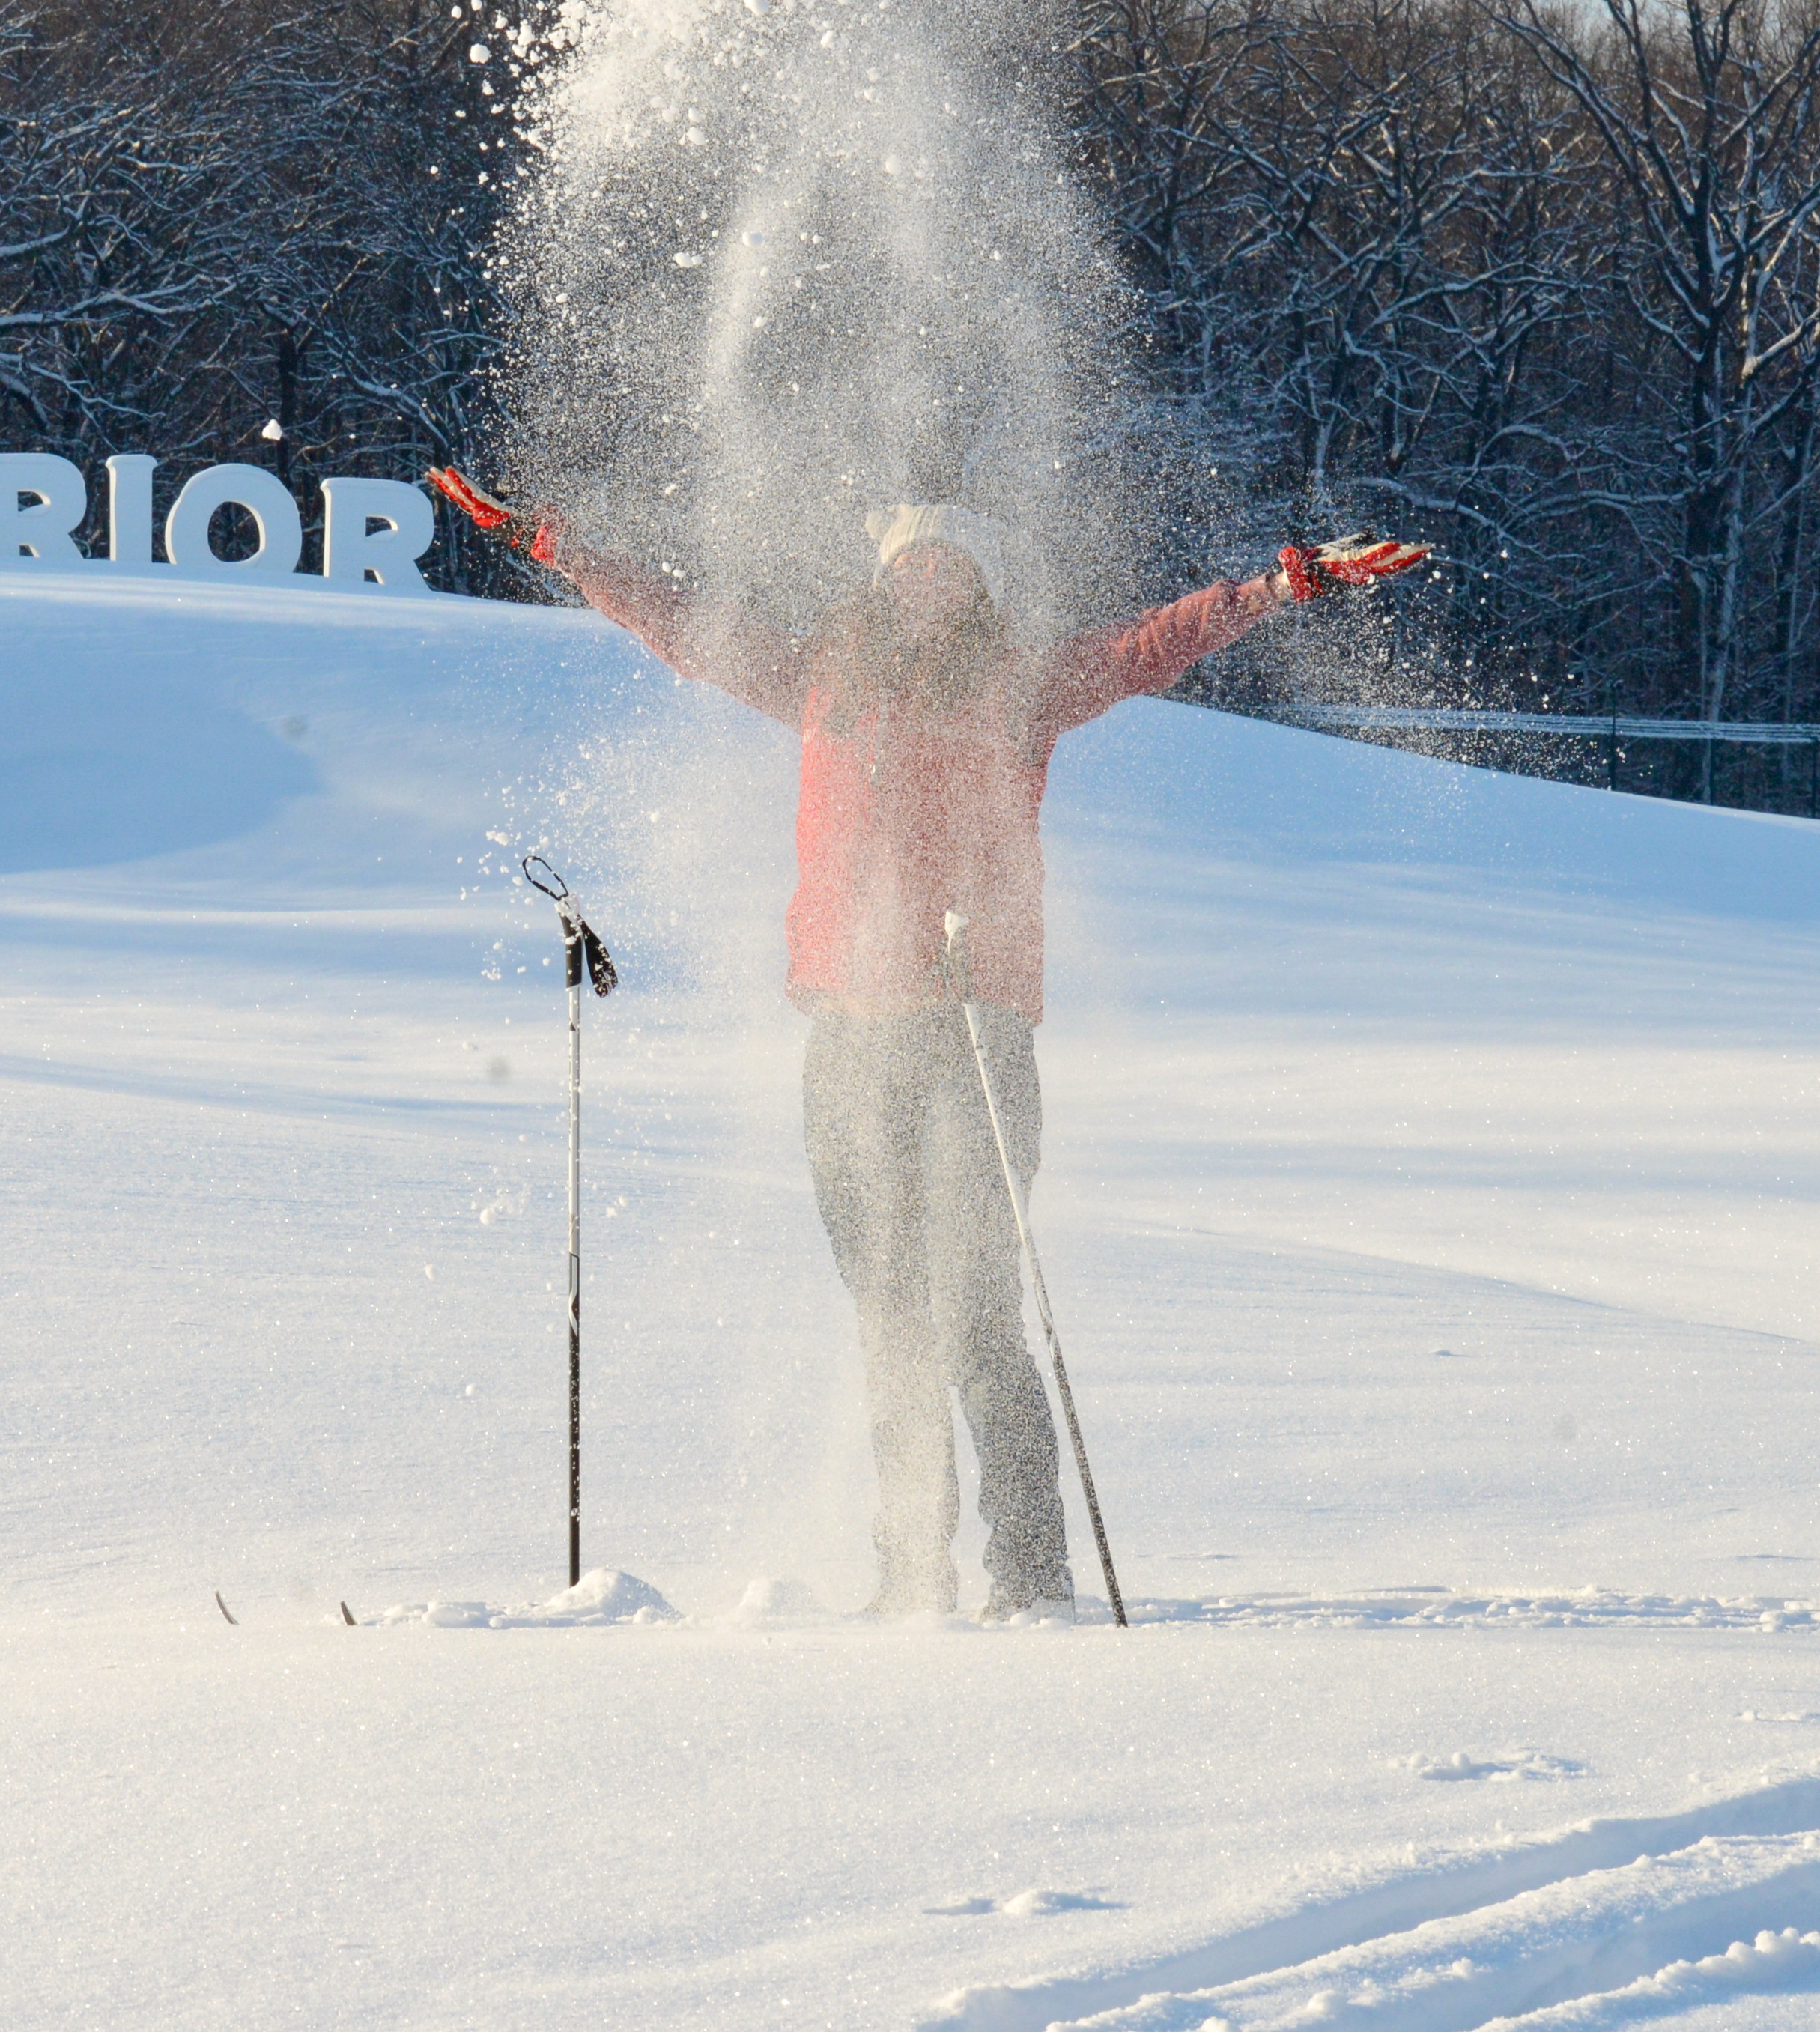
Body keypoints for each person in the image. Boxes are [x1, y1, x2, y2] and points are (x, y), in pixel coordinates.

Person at [430, 469, 1428, 1619]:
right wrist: (556, 545)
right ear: (882, 574)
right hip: (848, 1025)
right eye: (911, 563)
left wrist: (1277, 583)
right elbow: (680, 620)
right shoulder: (819, 672)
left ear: (982, 589)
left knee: (978, 1309)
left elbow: (1153, 643)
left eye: (952, 568)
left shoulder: (1023, 685)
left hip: (974, 1024)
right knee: (887, 1312)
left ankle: (1032, 1573)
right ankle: (910, 1570)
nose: (929, 582)